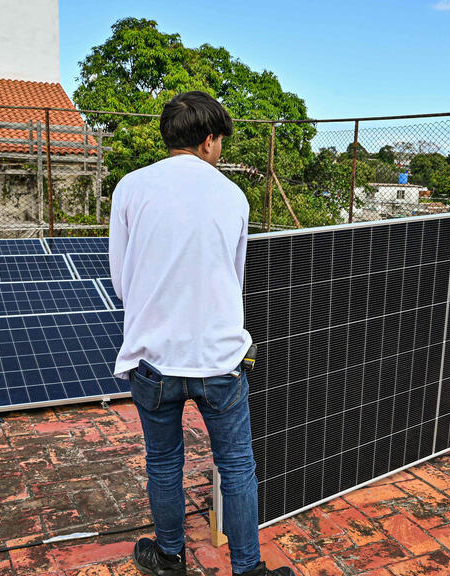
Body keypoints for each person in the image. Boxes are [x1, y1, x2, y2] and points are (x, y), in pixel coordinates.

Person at [109, 91, 294, 576]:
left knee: (164, 463)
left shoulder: (130, 187)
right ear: (209, 140)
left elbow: (121, 280)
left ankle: (170, 558)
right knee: (236, 466)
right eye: (220, 143)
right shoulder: (232, 196)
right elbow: (233, 275)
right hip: (218, 361)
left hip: (153, 360)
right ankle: (247, 568)